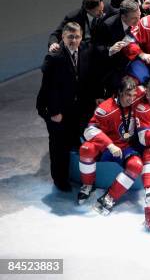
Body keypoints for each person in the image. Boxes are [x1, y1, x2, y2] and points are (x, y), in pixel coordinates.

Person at [36, 22, 101, 191]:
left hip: (77, 107)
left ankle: (83, 178)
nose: (74, 40)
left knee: (78, 140)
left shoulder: (86, 50)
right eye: (70, 37)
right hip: (56, 109)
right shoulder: (54, 57)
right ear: (63, 38)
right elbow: (48, 89)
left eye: (77, 36)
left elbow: (91, 77)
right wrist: (54, 112)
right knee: (59, 146)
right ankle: (60, 180)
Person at [77, 77, 150, 214]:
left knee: (136, 165)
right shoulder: (104, 109)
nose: (132, 98)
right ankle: (87, 185)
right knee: (86, 149)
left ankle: (110, 197)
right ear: (119, 93)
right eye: (128, 95)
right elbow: (89, 131)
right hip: (106, 146)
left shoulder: (138, 95)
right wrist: (109, 145)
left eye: (134, 95)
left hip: (124, 147)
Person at [92, 0, 140, 98]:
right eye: (134, 18)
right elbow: (97, 48)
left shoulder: (136, 19)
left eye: (138, 16)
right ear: (123, 16)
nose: (138, 20)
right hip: (113, 67)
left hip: (131, 61)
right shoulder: (107, 26)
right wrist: (110, 49)